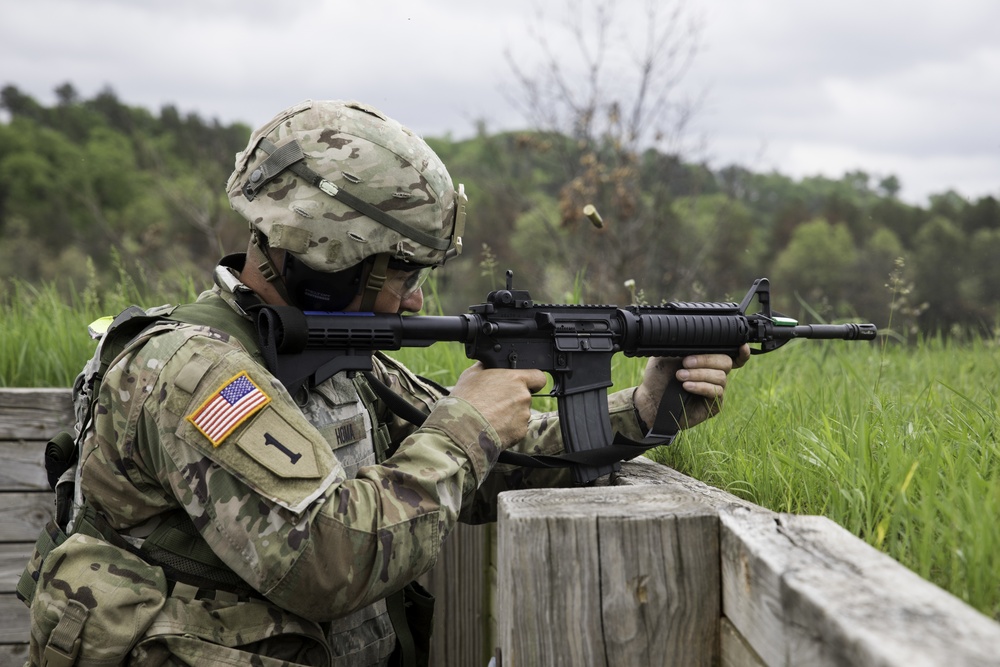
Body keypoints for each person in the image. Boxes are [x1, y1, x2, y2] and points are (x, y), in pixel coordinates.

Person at [21, 99, 749, 666]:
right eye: (399, 269)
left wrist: (647, 407)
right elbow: (323, 556)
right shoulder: (191, 373)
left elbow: (486, 463)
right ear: (330, 252)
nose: (414, 300)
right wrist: (465, 424)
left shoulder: (325, 360)